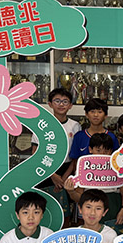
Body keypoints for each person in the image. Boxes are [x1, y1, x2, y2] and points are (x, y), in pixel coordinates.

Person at [31, 88, 81, 225]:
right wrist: (52, 175)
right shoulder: (42, 124)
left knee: (66, 211)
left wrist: (64, 178)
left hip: (67, 170)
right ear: (50, 104)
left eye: (65, 101)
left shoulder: (75, 126)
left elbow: (75, 156)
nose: (61, 104)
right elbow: (35, 153)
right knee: (43, 208)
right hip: (45, 170)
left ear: (70, 105)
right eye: (57, 101)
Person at [64, 133, 123, 225]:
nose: (102, 154)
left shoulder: (116, 167)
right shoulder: (84, 168)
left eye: (106, 151)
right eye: (98, 150)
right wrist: (71, 191)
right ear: (90, 149)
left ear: (111, 151)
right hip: (91, 209)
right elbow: (79, 198)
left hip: (113, 207)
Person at [64, 98, 119, 180]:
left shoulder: (112, 137)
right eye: (92, 111)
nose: (96, 115)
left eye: (100, 112)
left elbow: (116, 160)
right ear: (86, 114)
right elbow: (75, 161)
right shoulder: (79, 136)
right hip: (84, 180)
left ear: (105, 115)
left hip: (106, 179)